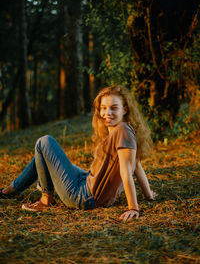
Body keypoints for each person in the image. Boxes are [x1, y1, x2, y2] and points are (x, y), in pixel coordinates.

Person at [0, 86, 156, 221]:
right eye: (103, 108)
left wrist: (133, 208)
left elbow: (127, 170)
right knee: (46, 156)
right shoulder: (122, 131)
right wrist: (148, 195)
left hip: (84, 196)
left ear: (125, 109)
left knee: (44, 142)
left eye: (114, 108)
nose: (107, 112)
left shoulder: (122, 130)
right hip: (87, 182)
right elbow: (137, 164)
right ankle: (11, 190)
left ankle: (45, 199)